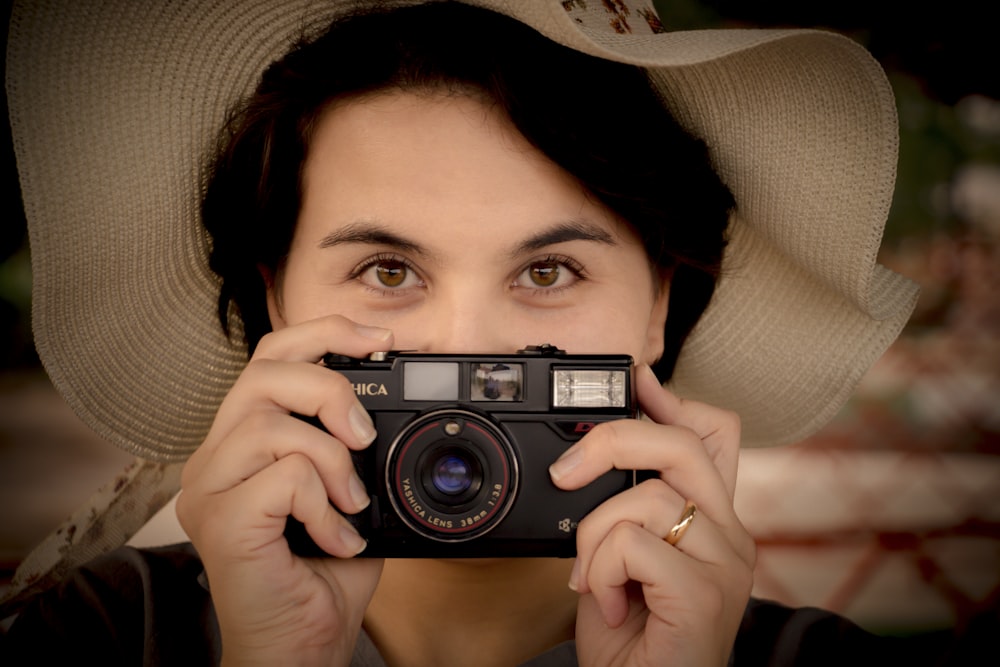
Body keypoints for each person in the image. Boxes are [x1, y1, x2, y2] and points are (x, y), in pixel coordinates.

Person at [5, 0, 965, 665]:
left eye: (548, 271)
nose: (466, 350)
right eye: (388, 272)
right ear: (279, 303)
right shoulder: (85, 637)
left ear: (658, 305)